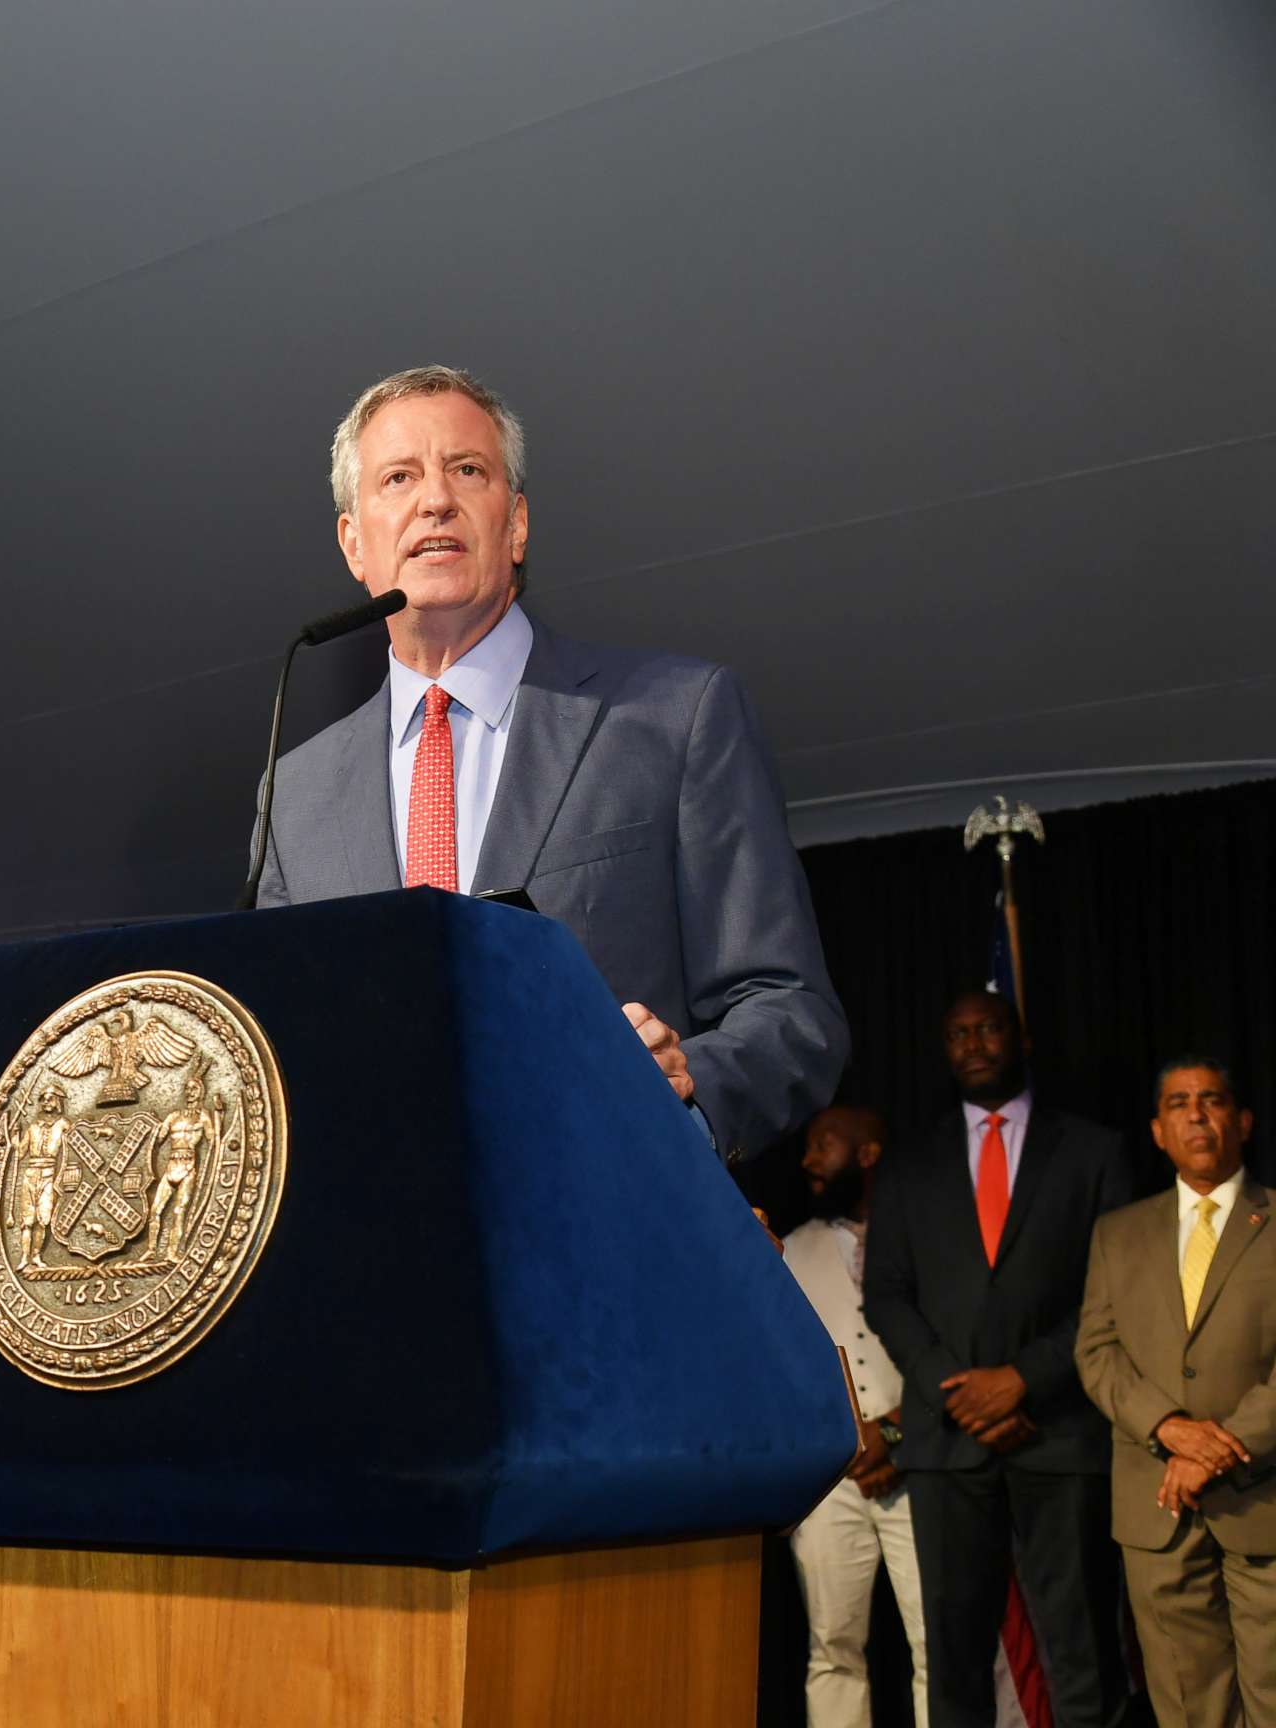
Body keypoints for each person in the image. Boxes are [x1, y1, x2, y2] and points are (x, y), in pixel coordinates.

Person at [248, 364, 844, 1159]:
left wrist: (682, 1083)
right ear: (355, 543)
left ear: (517, 523)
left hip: (614, 1226)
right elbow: (270, 1054)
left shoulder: (675, 718)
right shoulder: (296, 795)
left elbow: (790, 1011)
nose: (435, 500)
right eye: (399, 477)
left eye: (468, 470)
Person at [864, 990, 1138, 1728]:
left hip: (1061, 1434)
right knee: (953, 1659)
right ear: (944, 1048)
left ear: (1020, 1038)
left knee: (1084, 1652)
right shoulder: (907, 1165)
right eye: (958, 1034)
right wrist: (957, 1392)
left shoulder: (1092, 1151)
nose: (974, 1044)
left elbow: (1116, 1292)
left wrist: (1023, 1380)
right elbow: (886, 1295)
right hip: (947, 1444)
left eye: (988, 1029)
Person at [1076, 1057, 1275, 1727]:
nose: (1196, 1113)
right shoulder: (1117, 1233)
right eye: (1179, 1103)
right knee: (1191, 1711)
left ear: (1241, 1122)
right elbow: (1095, 1351)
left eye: (1212, 1099)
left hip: (1262, 1502)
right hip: (1155, 1511)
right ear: (1158, 1131)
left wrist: (1221, 1447)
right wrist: (1169, 1429)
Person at [785, 1104, 931, 1726]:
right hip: (829, 1484)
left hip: (921, 1467)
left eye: (823, 1146)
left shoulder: (925, 1240)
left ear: (868, 1154)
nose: (807, 1161)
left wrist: (895, 1433)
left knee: (938, 1643)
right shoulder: (789, 1251)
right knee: (832, 1647)